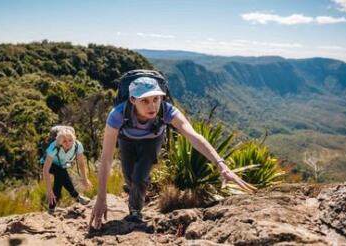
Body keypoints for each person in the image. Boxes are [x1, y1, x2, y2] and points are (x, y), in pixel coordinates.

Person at [90, 76, 256, 227]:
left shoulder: (167, 111)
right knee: (129, 177)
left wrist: (221, 165)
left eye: (156, 99)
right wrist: (101, 199)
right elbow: (106, 159)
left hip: (152, 140)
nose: (152, 105)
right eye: (145, 101)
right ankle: (134, 197)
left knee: (140, 177)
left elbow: (194, 137)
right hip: (126, 140)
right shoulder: (118, 115)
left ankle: (135, 212)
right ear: (133, 100)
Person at [42, 126, 92, 213]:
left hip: (61, 166)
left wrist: (85, 179)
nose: (68, 143)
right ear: (59, 141)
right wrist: (49, 190)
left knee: (59, 182)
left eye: (70, 140)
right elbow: (45, 169)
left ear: (74, 139)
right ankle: (77, 196)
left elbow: (81, 163)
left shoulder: (77, 145)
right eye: (64, 141)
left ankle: (51, 208)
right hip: (48, 165)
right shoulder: (54, 147)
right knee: (61, 172)